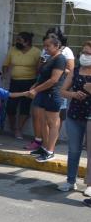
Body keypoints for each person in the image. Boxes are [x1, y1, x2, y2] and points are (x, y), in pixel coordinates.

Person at [26, 33, 67, 163]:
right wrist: (35, 85)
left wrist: (36, 89)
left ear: (57, 46)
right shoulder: (49, 57)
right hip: (43, 93)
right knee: (43, 122)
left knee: (52, 123)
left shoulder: (60, 59)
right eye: (44, 46)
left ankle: (50, 151)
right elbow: (43, 76)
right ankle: (43, 147)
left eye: (48, 46)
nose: (45, 48)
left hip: (53, 94)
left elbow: (54, 80)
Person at [58, 41, 91, 193]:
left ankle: (90, 185)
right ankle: (71, 181)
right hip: (74, 115)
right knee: (74, 150)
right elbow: (62, 91)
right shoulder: (76, 71)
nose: (85, 56)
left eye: (88, 53)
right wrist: (73, 94)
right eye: (83, 53)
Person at [2, 32, 41, 141]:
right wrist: (4, 75)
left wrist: (38, 83)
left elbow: (40, 68)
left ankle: (18, 129)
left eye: (19, 40)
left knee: (25, 107)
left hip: (30, 83)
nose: (16, 42)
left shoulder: (37, 52)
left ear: (27, 42)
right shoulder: (13, 50)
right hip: (15, 82)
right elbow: (6, 64)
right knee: (10, 107)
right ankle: (13, 127)